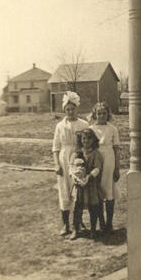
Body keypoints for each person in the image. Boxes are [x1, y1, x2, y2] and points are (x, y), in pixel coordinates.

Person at [52, 91, 88, 236]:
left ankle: (76, 227)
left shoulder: (84, 124)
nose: (70, 111)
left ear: (77, 109)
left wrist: (83, 162)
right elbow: (55, 147)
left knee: (77, 192)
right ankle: (65, 225)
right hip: (63, 158)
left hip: (78, 159)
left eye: (72, 109)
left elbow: (88, 143)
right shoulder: (60, 126)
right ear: (64, 110)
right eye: (67, 109)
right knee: (64, 191)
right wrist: (56, 164)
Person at [90, 101, 121, 232]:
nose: (101, 116)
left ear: (108, 114)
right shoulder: (91, 129)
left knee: (109, 191)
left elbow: (117, 149)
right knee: (96, 191)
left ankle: (109, 223)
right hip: (95, 159)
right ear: (95, 114)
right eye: (99, 113)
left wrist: (117, 168)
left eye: (104, 113)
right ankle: (101, 222)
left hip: (109, 160)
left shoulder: (112, 129)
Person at [69, 128, 103, 240]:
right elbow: (71, 166)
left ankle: (93, 229)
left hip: (90, 184)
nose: (86, 141)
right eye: (84, 138)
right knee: (77, 207)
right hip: (79, 185)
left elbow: (97, 168)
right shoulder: (77, 153)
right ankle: (75, 229)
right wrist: (74, 176)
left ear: (94, 140)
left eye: (89, 138)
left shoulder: (95, 154)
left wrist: (89, 177)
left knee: (93, 207)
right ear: (80, 139)